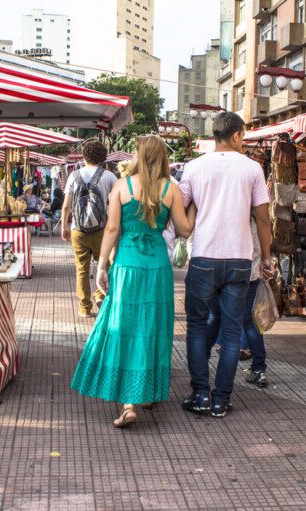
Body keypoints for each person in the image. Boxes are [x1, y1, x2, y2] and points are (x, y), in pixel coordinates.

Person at [71, 135, 196, 428]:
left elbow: (112, 228)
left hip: (126, 265)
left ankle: (129, 402)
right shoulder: (171, 189)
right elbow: (185, 230)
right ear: (163, 157)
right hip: (157, 268)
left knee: (125, 327)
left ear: (138, 156)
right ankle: (147, 391)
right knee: (152, 327)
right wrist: (194, 206)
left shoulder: (121, 186)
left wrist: (101, 266)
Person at [179, 112, 273, 418]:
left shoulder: (193, 167)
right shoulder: (252, 169)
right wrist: (268, 257)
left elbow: (181, 214)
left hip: (203, 257)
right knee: (232, 332)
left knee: (196, 327)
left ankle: (199, 394)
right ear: (235, 135)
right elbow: (262, 217)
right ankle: (220, 399)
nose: (243, 142)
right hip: (239, 260)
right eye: (243, 137)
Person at [208, 217, 269, 387]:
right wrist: (265, 261)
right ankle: (259, 369)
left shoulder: (233, 216)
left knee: (218, 319)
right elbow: (259, 248)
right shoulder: (257, 219)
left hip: (229, 274)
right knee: (250, 322)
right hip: (251, 274)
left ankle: (204, 370)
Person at [61, 141, 118, 318]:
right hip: (102, 230)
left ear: (84, 156)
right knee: (105, 265)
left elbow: (66, 206)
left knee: (82, 269)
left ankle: (84, 308)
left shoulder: (74, 175)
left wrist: (64, 226)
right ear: (103, 158)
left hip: (78, 229)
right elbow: (117, 203)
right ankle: (101, 295)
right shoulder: (109, 176)